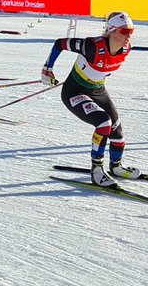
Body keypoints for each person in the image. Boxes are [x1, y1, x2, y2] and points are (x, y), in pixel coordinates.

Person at [40, 11, 140, 186]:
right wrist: (47, 69)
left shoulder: (126, 49)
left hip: (98, 89)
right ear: (111, 30)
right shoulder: (91, 46)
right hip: (74, 91)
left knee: (117, 133)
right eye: (124, 31)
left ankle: (116, 166)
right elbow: (59, 44)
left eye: (131, 31)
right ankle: (96, 171)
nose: (128, 36)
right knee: (103, 123)